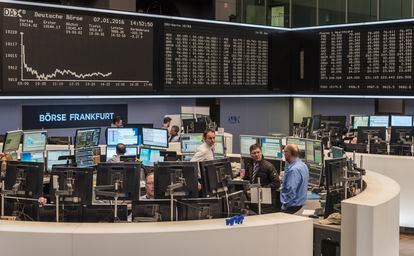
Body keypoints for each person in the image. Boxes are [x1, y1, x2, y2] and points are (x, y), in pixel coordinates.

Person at [241, 144, 280, 213]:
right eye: (254, 153)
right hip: (253, 199)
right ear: (250, 155)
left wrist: (261, 190)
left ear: (261, 152)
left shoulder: (268, 166)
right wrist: (247, 189)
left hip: (265, 202)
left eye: (258, 152)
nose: (256, 155)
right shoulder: (249, 165)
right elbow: (246, 180)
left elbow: (276, 183)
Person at [280, 144, 309, 214]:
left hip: (292, 209)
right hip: (300, 205)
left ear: (289, 153)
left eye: (285, 151)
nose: (284, 153)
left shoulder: (293, 170)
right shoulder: (303, 165)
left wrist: (284, 207)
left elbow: (291, 191)